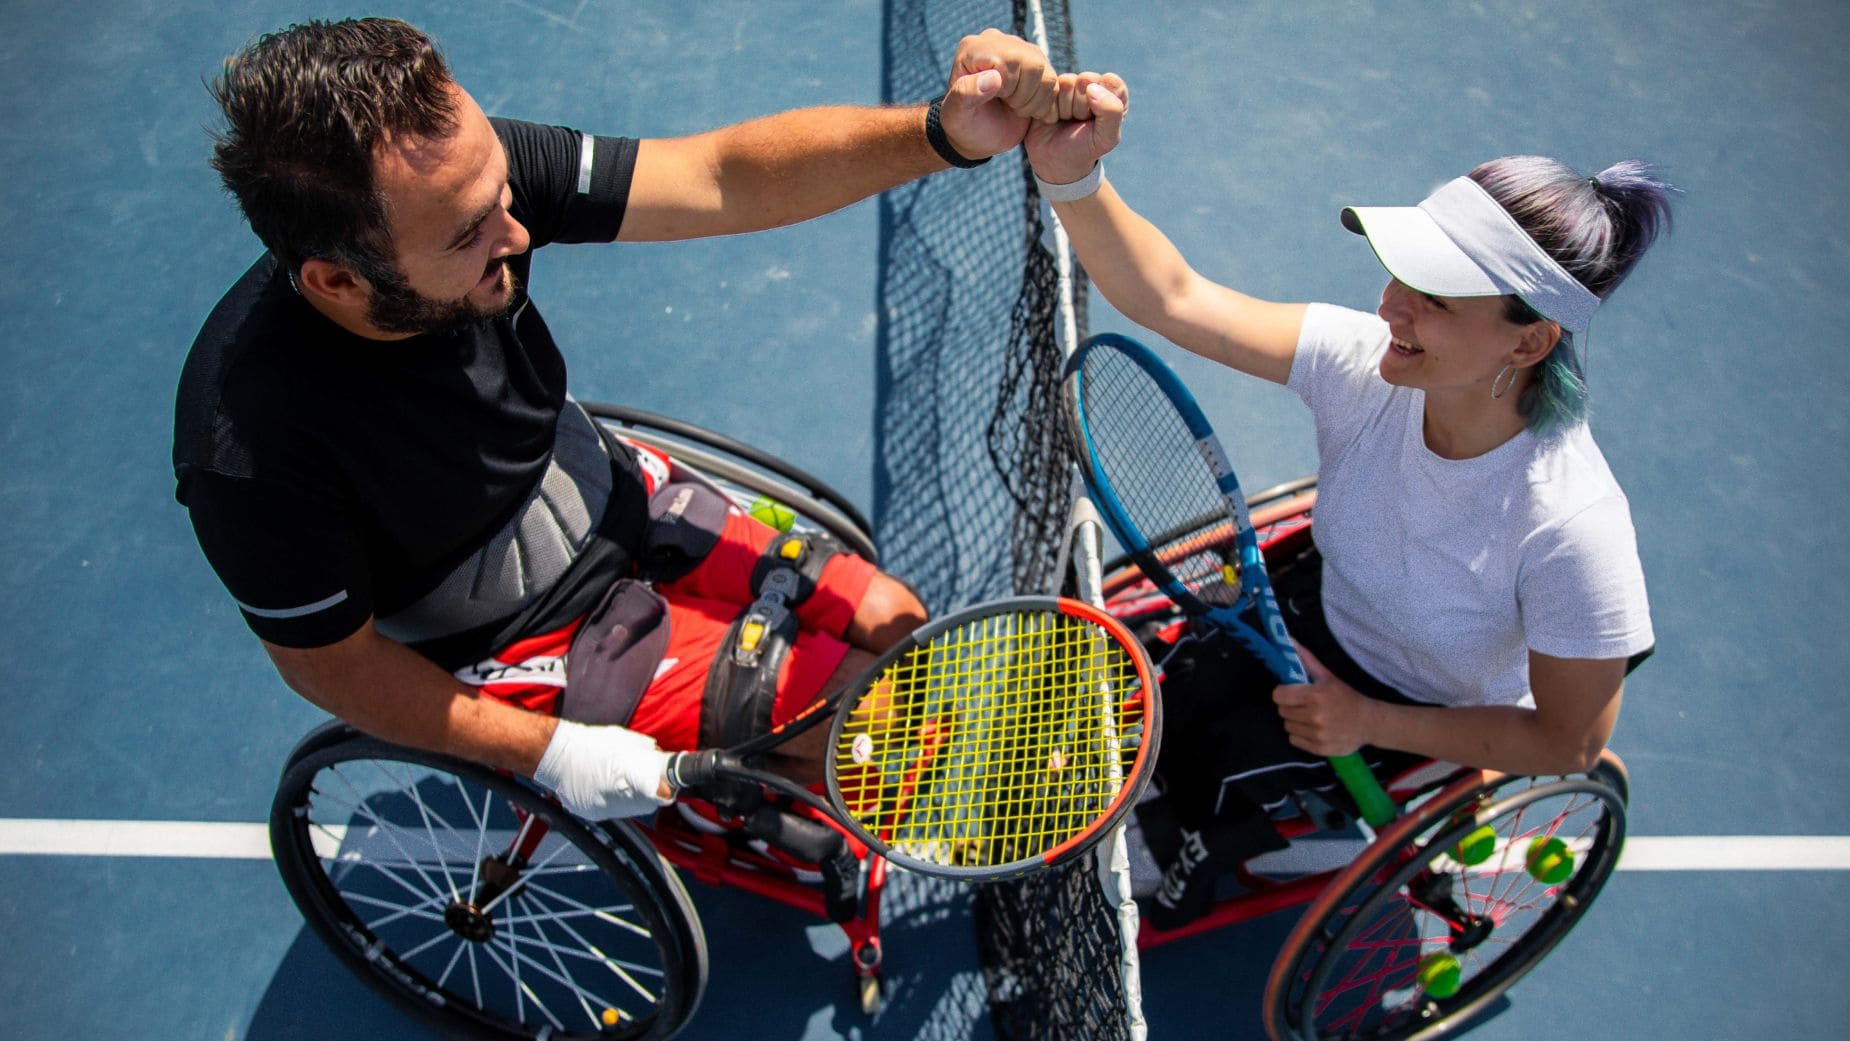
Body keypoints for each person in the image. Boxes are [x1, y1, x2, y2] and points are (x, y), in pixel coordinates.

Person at [173, 17, 1074, 826]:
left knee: (895, 615)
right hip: (519, 633)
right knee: (869, 722)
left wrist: (940, 136)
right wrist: (548, 753)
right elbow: (333, 666)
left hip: (607, 490)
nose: (518, 234)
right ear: (337, 280)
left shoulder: (467, 186)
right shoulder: (248, 447)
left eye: (504, 195)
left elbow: (718, 176)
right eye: (468, 236)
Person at [1022, 74, 1672, 924]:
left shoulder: (1571, 530)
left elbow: (1570, 741)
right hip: (1314, 611)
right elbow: (1172, 298)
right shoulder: (1365, 362)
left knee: (1211, 782)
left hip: (1417, 712)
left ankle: (1319, 836)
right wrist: (1072, 177)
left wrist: (1366, 720)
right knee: (1163, 698)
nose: (1389, 307)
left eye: (1432, 300)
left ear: (1534, 338)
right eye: (1398, 274)